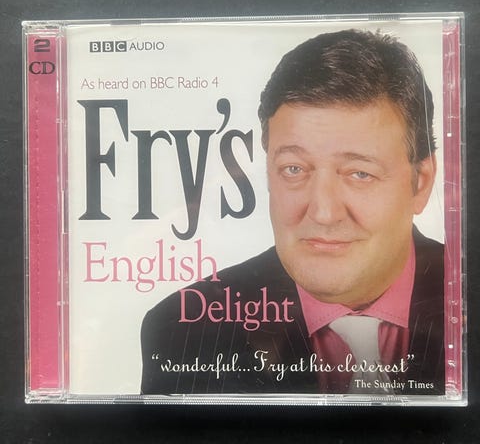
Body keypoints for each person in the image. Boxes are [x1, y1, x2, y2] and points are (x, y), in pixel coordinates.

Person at [140, 29, 444, 395]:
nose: (324, 213)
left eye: (360, 174)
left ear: (420, 183)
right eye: (294, 169)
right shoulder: (182, 330)